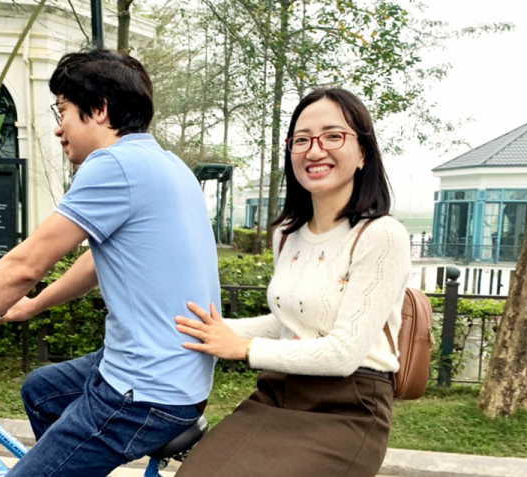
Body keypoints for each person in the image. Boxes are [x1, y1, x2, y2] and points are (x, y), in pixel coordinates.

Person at [0, 49, 220, 477]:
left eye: (62, 111)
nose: (57, 127)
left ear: (99, 110)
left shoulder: (113, 164)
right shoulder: (167, 164)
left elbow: (25, 265)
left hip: (144, 391)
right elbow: (97, 262)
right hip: (174, 376)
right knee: (41, 390)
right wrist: (34, 305)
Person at [174, 87, 411, 477]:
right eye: (301, 140)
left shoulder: (381, 235)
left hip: (348, 407)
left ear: (363, 153)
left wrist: (243, 348)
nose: (315, 151)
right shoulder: (287, 235)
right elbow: (288, 322)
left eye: (333, 136)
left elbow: (344, 353)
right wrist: (207, 330)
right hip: (276, 394)